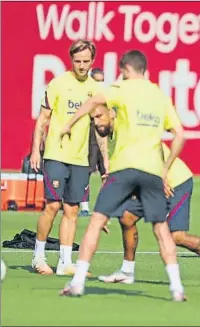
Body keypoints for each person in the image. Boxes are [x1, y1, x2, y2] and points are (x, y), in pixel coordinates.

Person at [58, 50, 187, 302]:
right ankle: (177, 288)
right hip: (151, 170)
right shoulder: (160, 96)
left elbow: (93, 101)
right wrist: (165, 167)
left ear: (126, 69)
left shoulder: (123, 88)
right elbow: (180, 135)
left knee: (96, 222)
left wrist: (68, 124)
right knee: (161, 229)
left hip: (124, 168)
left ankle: (78, 282)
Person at [90, 105, 200, 288]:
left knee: (177, 236)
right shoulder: (110, 139)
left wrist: (163, 175)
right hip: (150, 184)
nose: (96, 122)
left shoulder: (128, 130)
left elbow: (156, 148)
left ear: (111, 115)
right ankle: (127, 271)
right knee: (127, 218)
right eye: (93, 119)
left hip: (175, 182)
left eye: (98, 117)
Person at [30, 40, 103, 275]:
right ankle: (38, 257)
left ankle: (64, 262)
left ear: (93, 61)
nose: (81, 66)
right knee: (52, 206)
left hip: (81, 158)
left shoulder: (95, 89)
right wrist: (34, 150)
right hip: (56, 154)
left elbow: (99, 128)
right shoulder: (58, 83)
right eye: (77, 61)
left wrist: (106, 161)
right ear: (71, 60)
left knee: (72, 210)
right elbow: (42, 119)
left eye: (85, 61)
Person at [79, 68, 107, 216]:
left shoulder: (107, 97)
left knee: (107, 172)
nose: (100, 84)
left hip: (103, 137)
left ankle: (106, 206)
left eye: (102, 81)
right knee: (86, 171)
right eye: (97, 81)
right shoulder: (86, 96)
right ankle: (84, 206)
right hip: (90, 136)